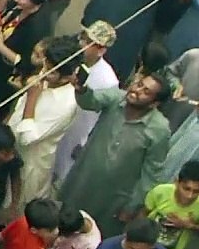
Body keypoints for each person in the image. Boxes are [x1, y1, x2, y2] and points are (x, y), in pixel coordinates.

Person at [59, 72, 173, 238]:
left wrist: (132, 207)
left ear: (155, 103)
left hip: (113, 201)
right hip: (81, 181)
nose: (137, 90)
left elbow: (151, 174)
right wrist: (82, 89)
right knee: (61, 225)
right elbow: (91, 101)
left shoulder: (159, 130)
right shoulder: (116, 97)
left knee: (94, 239)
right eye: (139, 84)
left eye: (146, 92)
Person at [8, 35, 81, 204]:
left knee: (17, 204)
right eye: (45, 65)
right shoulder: (46, 75)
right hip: (10, 147)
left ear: (67, 77)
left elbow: (27, 139)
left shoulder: (66, 105)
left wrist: (32, 97)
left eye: (52, 71)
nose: (44, 72)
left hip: (29, 162)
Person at [53, 21, 120, 183]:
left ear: (101, 50)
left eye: (88, 42)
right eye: (83, 38)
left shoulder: (108, 81)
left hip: (75, 132)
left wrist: (85, 144)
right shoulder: (71, 58)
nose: (82, 44)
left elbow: (104, 118)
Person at [141, 159, 199, 249]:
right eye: (186, 189)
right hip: (145, 248)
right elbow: (143, 215)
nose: (189, 195)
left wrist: (189, 225)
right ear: (177, 182)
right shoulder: (160, 192)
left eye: (196, 191)